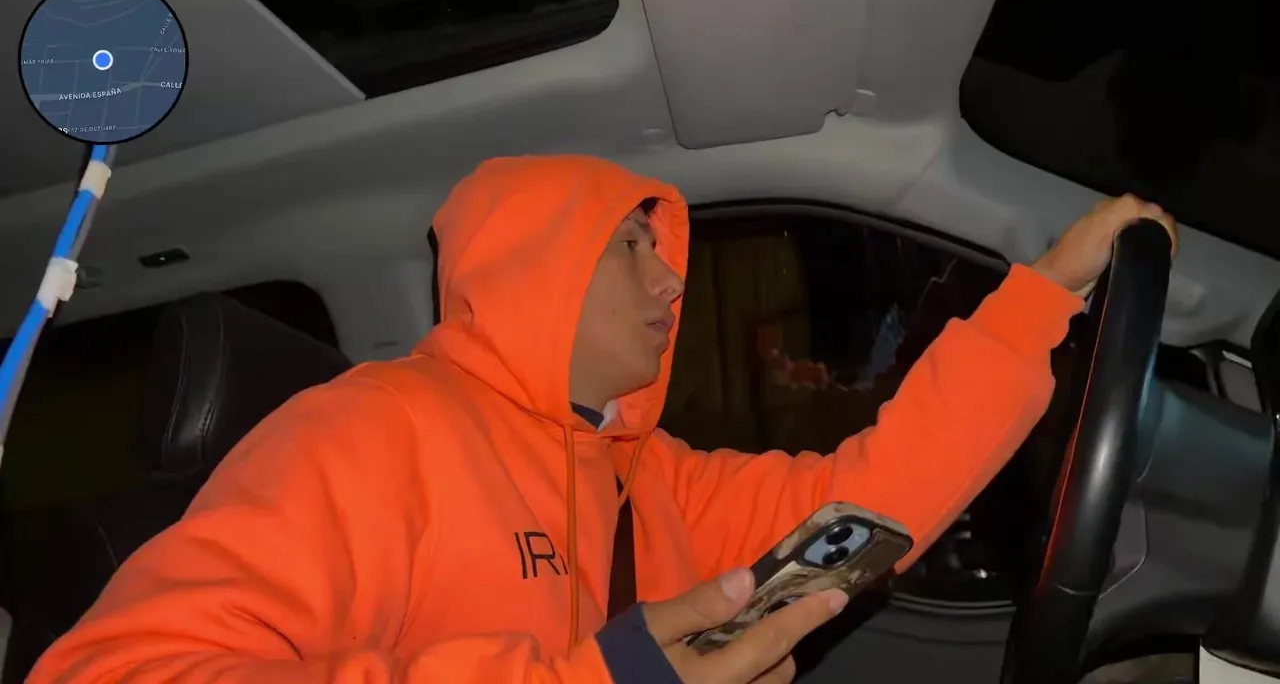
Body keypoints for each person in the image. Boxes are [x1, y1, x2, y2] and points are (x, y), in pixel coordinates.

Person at [28, 155, 1176, 684]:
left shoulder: (650, 476)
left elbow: (864, 504)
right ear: (536, 262)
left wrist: (1044, 297)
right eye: (632, 246)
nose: (673, 279)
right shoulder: (371, 432)